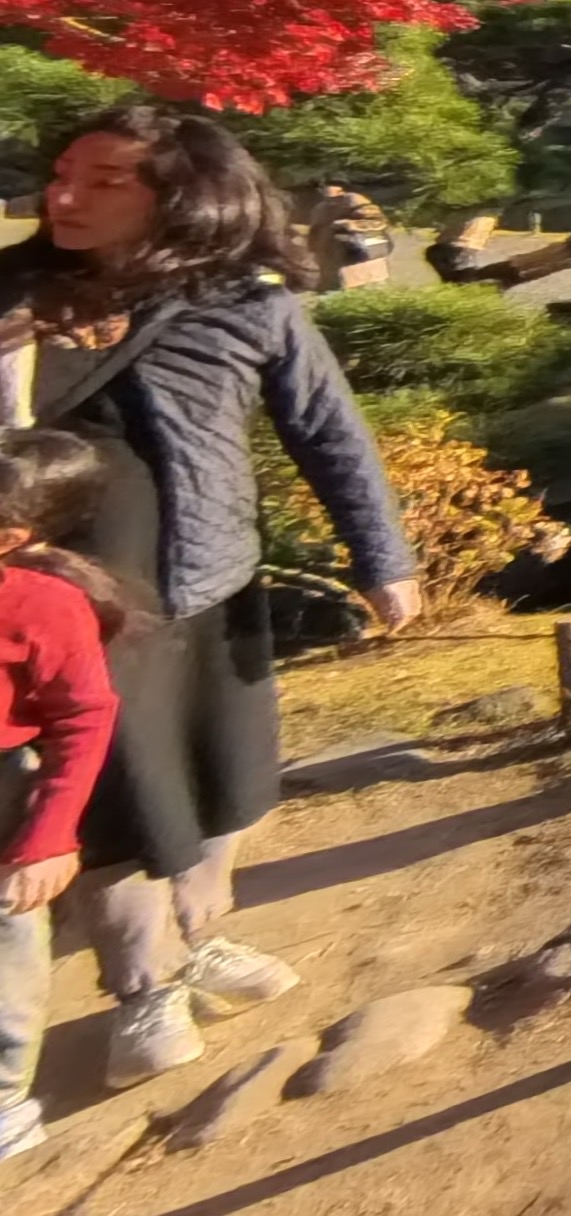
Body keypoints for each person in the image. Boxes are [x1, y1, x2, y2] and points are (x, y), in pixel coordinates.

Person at [0, 107, 418, 1089]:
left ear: (182, 196)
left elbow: (329, 430)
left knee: (226, 781)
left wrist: (383, 554)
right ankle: (144, 985)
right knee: (115, 795)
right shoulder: (13, 297)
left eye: (105, 180)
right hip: (71, 602)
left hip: (212, 577)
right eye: (63, 173)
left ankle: (193, 941)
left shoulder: (247, 300)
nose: (65, 195)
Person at [0, 432, 130, 1161]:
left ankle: (5, 1099)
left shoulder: (41, 605)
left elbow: (83, 717)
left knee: (6, 946)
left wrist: (49, 836)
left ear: (11, 537)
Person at [305, 183, 393, 292]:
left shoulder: (356, 201)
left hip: (363, 259)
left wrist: (349, 225)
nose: (331, 199)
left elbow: (378, 223)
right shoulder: (319, 209)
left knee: (371, 293)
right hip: (330, 261)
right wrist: (313, 252)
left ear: (342, 191)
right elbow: (314, 233)